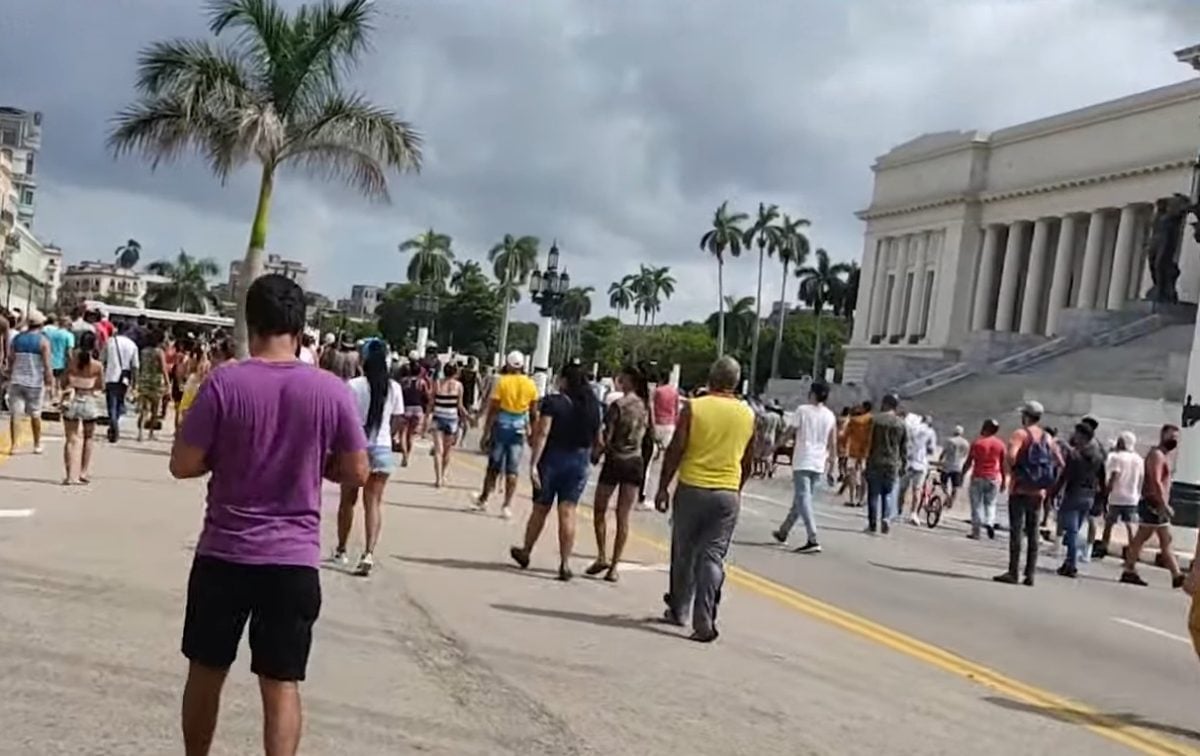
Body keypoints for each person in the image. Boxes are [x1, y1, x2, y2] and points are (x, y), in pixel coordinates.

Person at [170, 274, 368, 756]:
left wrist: (228, 454)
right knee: (281, 683)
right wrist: (317, 465)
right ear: (300, 328)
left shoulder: (225, 382)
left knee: (206, 670)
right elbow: (358, 472)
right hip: (293, 559)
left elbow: (183, 464)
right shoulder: (331, 390)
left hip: (225, 551)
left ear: (250, 322)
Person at [654, 356, 755, 643]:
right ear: (736, 382)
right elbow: (748, 459)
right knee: (712, 556)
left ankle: (679, 609)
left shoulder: (695, 407)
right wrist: (736, 488)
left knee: (683, 552)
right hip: (726, 494)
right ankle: (704, 619)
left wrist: (663, 486)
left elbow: (677, 448)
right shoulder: (747, 414)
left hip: (692, 488)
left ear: (711, 379)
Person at [512, 363, 603, 581]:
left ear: (564, 380)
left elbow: (542, 433)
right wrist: (594, 457)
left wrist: (533, 463)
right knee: (568, 510)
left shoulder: (554, 402)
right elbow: (599, 439)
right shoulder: (593, 406)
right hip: (580, 460)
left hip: (553, 458)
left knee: (541, 508)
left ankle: (526, 550)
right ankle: (564, 563)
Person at [334, 340, 403, 577]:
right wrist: (388, 435)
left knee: (348, 500)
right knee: (373, 503)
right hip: (382, 448)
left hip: (356, 447)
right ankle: (368, 553)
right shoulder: (394, 388)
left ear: (363, 360)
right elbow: (397, 419)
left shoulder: (353, 386)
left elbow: (344, 419)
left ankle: (342, 549)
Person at [588, 365, 650, 581]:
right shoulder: (644, 406)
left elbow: (607, 436)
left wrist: (596, 454)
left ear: (629, 380)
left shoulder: (617, 406)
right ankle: (614, 566)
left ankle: (602, 555)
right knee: (623, 516)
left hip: (615, 460)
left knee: (600, 509)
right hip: (635, 461)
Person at [994, 400, 1062, 587]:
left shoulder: (1020, 434)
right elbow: (1059, 461)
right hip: (1038, 492)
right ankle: (1030, 574)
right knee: (1033, 533)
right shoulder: (1047, 437)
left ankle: (1013, 571)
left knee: (1017, 531)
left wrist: (1015, 471)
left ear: (1025, 416)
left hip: (1020, 488)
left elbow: (1011, 455)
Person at [772, 381, 837, 554]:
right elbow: (833, 443)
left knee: (803, 498)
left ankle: (812, 537)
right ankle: (783, 531)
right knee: (801, 501)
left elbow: (789, 432)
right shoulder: (830, 416)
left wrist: (777, 445)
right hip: (818, 462)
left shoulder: (802, 410)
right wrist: (832, 465)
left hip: (803, 459)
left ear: (813, 394)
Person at [474, 351, 539, 520]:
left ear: (508, 364)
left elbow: (494, 409)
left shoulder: (502, 382)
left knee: (493, 466)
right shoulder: (531, 384)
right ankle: (507, 505)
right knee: (513, 469)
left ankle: (484, 498)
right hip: (519, 429)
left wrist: (485, 432)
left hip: (501, 427)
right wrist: (533, 434)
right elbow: (533, 412)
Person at [1120, 424, 1186, 588]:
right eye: (1171, 436)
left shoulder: (1164, 456)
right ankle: (1130, 570)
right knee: (1152, 538)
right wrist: (1163, 504)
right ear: (1162, 435)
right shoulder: (1156, 455)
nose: (1174, 440)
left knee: (1158, 539)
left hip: (1157, 504)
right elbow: (1155, 481)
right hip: (1153, 504)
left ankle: (1175, 575)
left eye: (1176, 438)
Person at [1047, 422, 1105, 577]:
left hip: (1074, 495)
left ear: (1082, 436)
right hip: (1089, 497)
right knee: (1074, 530)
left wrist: (1053, 493)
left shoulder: (1075, 455)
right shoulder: (1098, 456)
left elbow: (1065, 476)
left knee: (1071, 532)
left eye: (1077, 434)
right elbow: (1102, 479)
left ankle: (1071, 563)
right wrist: (1100, 500)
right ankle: (1069, 561)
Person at [5, 310, 54, 454]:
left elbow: (11, 359)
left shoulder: (18, 339)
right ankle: (37, 444)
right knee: (35, 414)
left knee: (16, 414)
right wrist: (49, 381)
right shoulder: (43, 341)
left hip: (17, 380)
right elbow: (47, 364)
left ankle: (14, 445)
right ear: (41, 324)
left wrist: (9, 373)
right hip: (35, 382)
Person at [61, 331, 104, 485]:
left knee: (70, 439)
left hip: (72, 400)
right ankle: (83, 472)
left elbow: (63, 381)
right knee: (89, 438)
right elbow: (100, 386)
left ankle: (68, 475)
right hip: (89, 401)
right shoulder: (97, 366)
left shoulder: (72, 361)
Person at [863, 394, 907, 535]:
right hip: (892, 462)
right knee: (887, 493)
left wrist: (864, 459)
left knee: (873, 494)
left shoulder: (875, 420)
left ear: (886, 404)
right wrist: (903, 464)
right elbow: (904, 447)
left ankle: (872, 524)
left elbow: (869, 441)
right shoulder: (901, 423)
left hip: (875, 460)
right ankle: (886, 518)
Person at [1099, 431, 1142, 559]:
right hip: (1132, 496)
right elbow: (1141, 478)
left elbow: (1114, 475)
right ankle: (1133, 549)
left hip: (1117, 496)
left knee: (1109, 523)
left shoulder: (1117, 457)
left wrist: (1106, 491)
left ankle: (1104, 545)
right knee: (1130, 525)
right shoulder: (1139, 459)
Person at [963, 419, 1004, 540]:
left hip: (978, 476)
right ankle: (990, 522)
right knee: (990, 504)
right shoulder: (1000, 444)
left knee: (976, 505)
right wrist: (1005, 480)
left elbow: (969, 461)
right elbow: (1003, 464)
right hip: (993, 478)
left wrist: (962, 474)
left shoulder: (977, 443)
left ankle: (976, 532)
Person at [429, 362, 468, 488]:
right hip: (451, 419)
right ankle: (443, 473)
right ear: (456, 372)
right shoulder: (459, 386)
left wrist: (425, 419)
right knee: (447, 451)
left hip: (438, 418)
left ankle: (438, 478)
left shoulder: (437, 383)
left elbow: (431, 403)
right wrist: (468, 418)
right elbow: (460, 406)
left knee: (438, 451)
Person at [101, 320, 140, 443]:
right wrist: (135, 382)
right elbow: (135, 366)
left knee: (111, 403)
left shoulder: (110, 342)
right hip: (124, 378)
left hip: (110, 376)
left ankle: (113, 423)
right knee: (120, 402)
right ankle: (115, 421)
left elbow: (103, 360)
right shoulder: (132, 345)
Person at [901, 413, 937, 526]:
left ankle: (898, 510)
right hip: (921, 464)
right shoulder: (930, 432)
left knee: (902, 489)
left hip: (908, 461)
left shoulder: (911, 428)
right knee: (917, 490)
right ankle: (913, 513)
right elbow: (931, 449)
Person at [136, 329, 169, 442]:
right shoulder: (159, 352)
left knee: (143, 408)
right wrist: (168, 383)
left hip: (144, 380)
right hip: (156, 382)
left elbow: (140, 366)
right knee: (155, 409)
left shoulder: (143, 351)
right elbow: (163, 369)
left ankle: (140, 432)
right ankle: (150, 433)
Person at [396, 362, 430, 468]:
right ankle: (408, 456)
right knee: (410, 435)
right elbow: (427, 396)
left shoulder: (404, 382)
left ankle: (404, 455)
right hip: (418, 409)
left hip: (406, 408)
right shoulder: (422, 382)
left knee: (402, 434)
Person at [841, 401, 872, 507]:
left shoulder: (854, 421)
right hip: (866, 452)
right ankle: (862, 499)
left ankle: (852, 498)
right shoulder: (872, 421)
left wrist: (843, 445)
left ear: (863, 408)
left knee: (852, 474)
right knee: (864, 476)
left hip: (853, 451)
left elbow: (845, 436)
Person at [44, 314, 75, 403]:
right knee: (59, 382)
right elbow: (69, 352)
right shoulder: (69, 335)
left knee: (51, 382)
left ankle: (51, 398)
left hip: (50, 360)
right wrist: (71, 363)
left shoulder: (51, 334)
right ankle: (57, 399)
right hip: (61, 362)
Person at [940, 425, 970, 508]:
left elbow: (944, 452)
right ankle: (951, 502)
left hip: (948, 466)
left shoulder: (950, 441)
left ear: (954, 432)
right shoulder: (966, 443)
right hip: (959, 466)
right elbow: (965, 455)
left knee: (943, 483)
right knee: (955, 486)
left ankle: (947, 495)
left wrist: (940, 459)